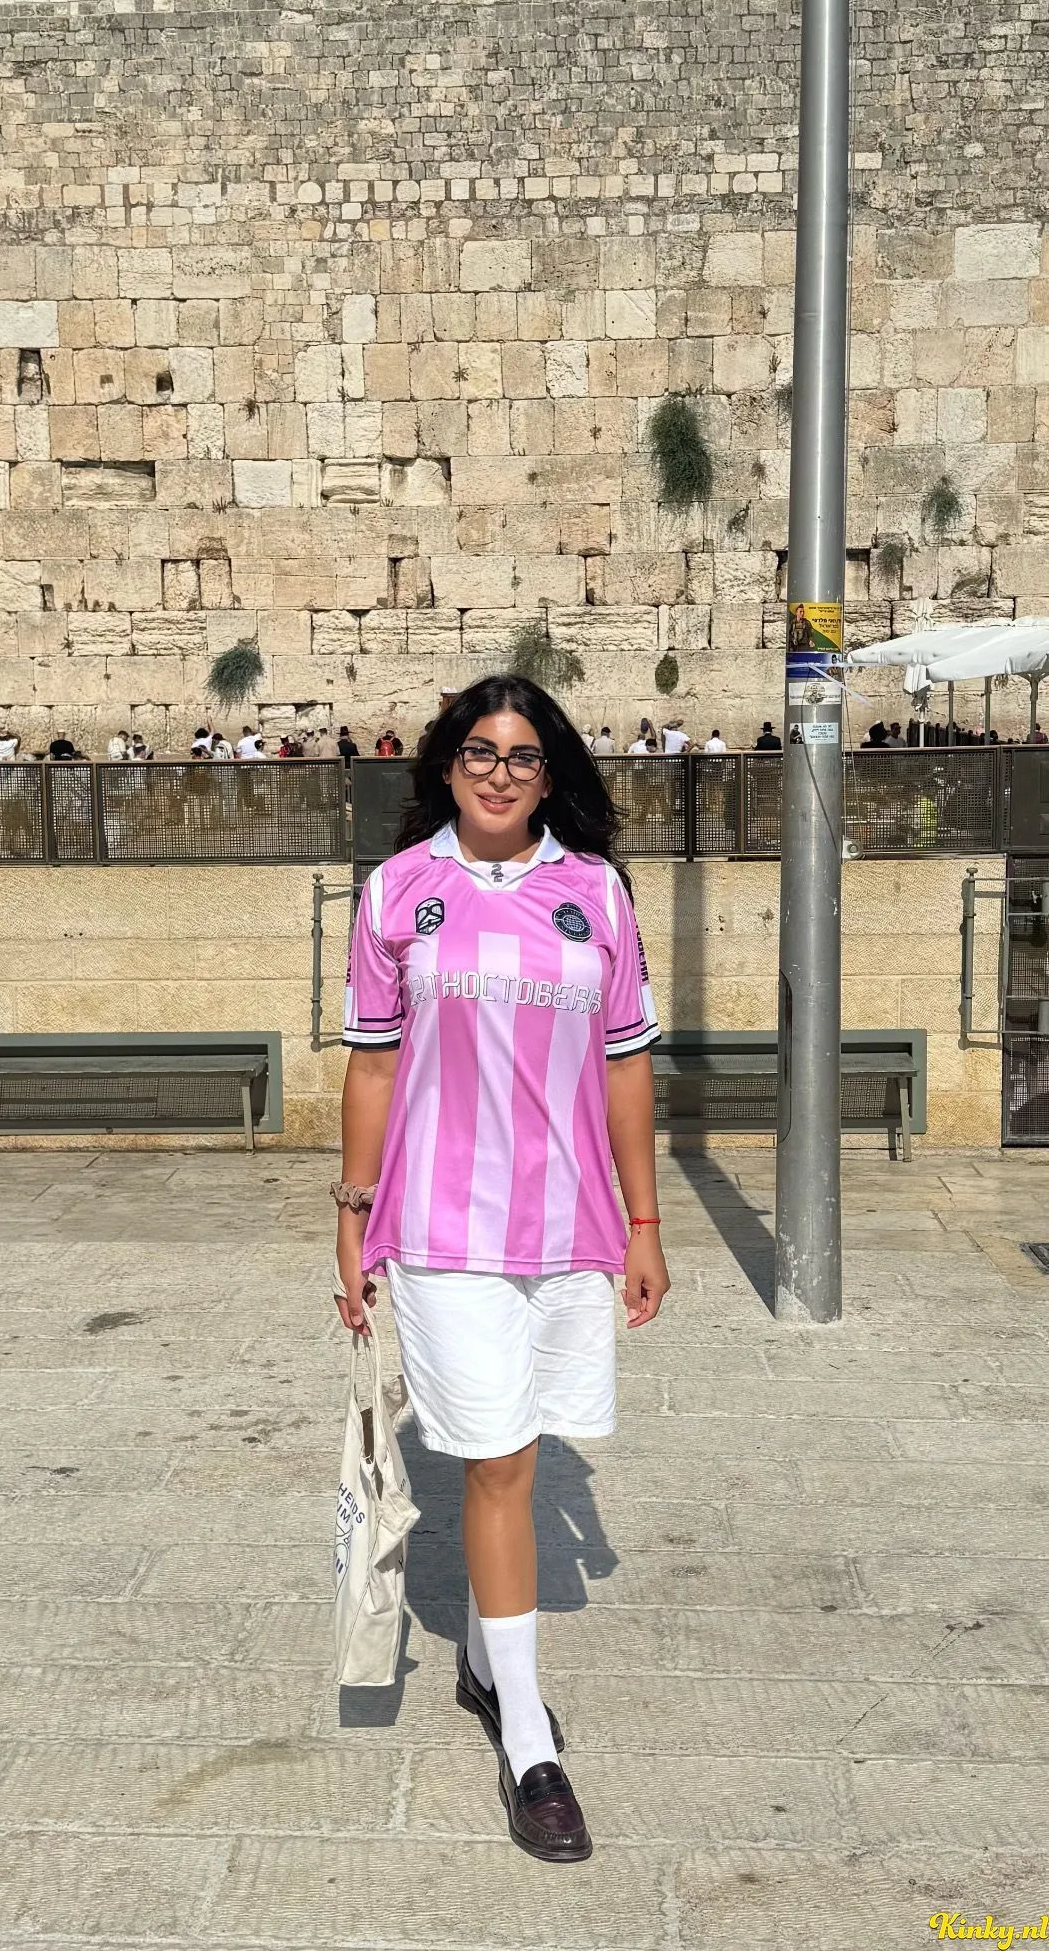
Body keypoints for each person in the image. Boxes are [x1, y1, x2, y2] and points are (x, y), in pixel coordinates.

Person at [335, 673, 670, 1863]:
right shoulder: (398, 891)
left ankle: (483, 1656)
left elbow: (626, 1064)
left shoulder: (596, 893)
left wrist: (644, 1222)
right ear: (445, 763)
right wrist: (351, 1215)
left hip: (569, 1225)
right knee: (502, 1458)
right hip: (442, 1227)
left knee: (521, 1448)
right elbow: (374, 1062)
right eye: (479, 750)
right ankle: (528, 1737)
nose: (499, 772)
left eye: (524, 755)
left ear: (549, 772)